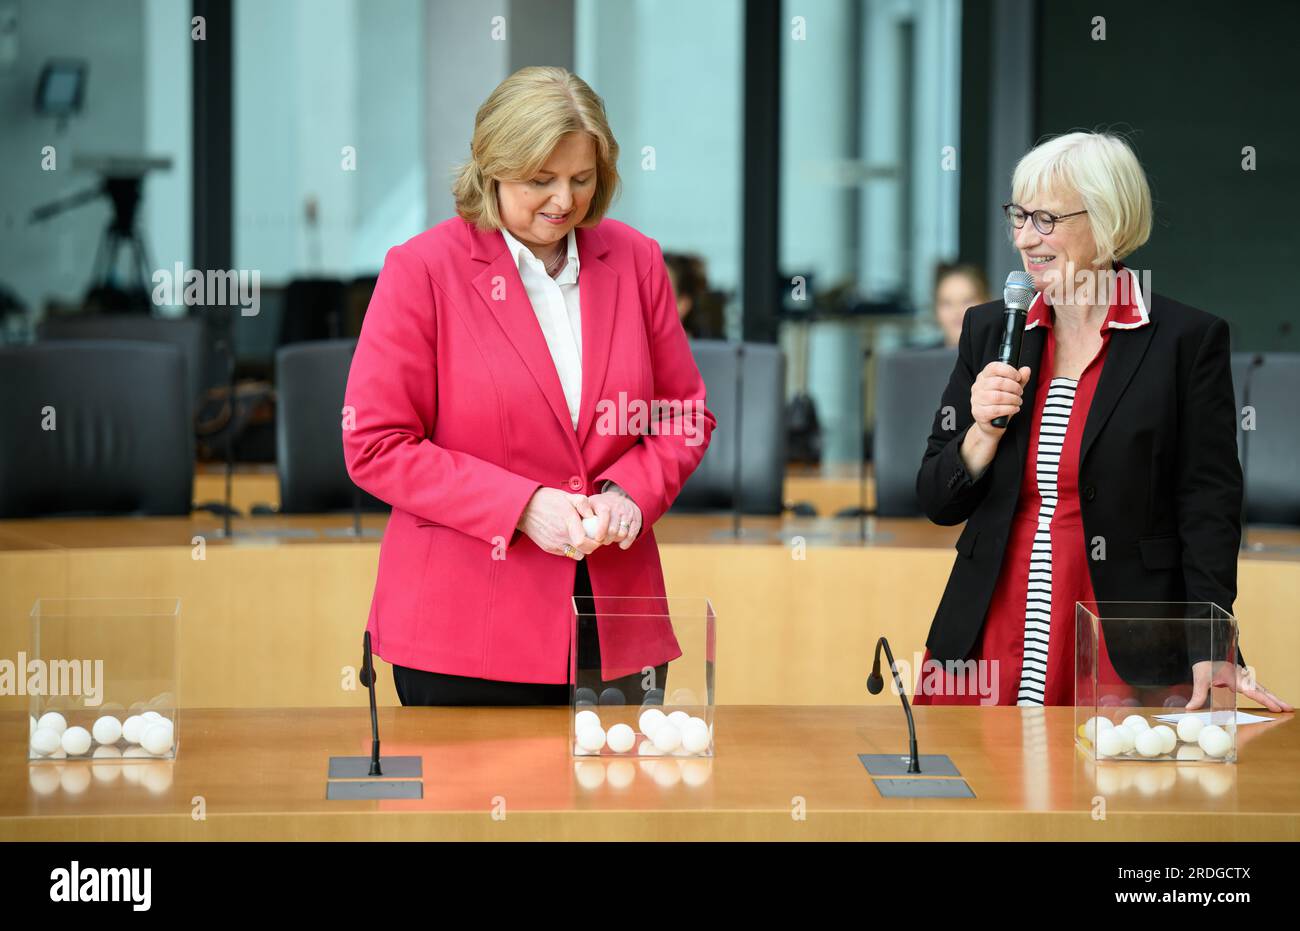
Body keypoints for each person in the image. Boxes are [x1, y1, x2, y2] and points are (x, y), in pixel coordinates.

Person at [342, 66, 716, 706]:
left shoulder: (636, 260)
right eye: (540, 180)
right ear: (492, 169)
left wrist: (633, 490)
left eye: (581, 178)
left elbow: (682, 415)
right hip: (462, 633)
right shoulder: (423, 271)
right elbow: (375, 444)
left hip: (613, 623)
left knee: (616, 805)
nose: (564, 201)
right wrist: (519, 505)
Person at [912, 131, 1291, 712]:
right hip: (989, 627)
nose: (1022, 238)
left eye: (1044, 219)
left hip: (1121, 633)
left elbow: (1208, 502)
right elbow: (938, 500)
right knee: (980, 796)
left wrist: (1212, 638)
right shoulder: (990, 330)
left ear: (1107, 222)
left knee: (1104, 791)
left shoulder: (1185, 341)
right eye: (1018, 216)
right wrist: (981, 433)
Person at [932, 262, 989, 349]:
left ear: (987, 302)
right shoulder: (921, 359)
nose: (957, 310)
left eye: (967, 300)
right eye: (947, 303)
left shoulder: (1005, 359)